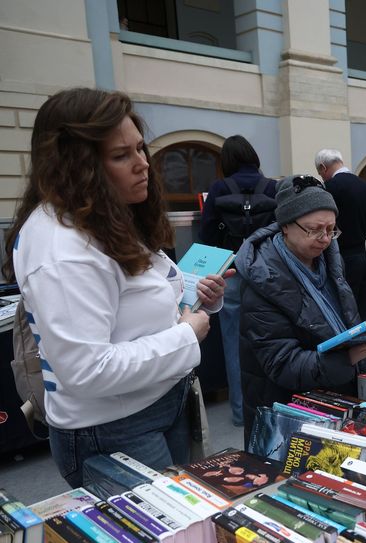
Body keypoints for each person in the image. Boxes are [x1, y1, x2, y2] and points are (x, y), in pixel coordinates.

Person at [3, 88, 228, 487]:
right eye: (121, 156)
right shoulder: (62, 248)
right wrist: (186, 334)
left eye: (140, 149)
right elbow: (87, 370)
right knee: (162, 537)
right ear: (77, 166)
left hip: (158, 405)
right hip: (114, 429)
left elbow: (143, 299)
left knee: (184, 527)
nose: (143, 164)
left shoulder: (103, 216)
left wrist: (196, 303)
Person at [235, 175, 366, 443]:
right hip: (288, 409)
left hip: (330, 396)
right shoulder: (262, 278)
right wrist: (345, 360)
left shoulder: (329, 260)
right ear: (286, 226)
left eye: (332, 229)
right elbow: (280, 361)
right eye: (314, 229)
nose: (324, 238)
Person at [199, 135, 277, 427]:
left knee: (233, 342)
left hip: (230, 272)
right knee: (269, 335)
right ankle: (271, 405)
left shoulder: (219, 188)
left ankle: (239, 412)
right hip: (265, 271)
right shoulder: (271, 186)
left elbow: (207, 235)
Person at [314, 149, 366, 322]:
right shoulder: (365, 185)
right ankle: (364, 347)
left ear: (323, 167)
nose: (321, 176)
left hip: (344, 257)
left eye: (320, 172)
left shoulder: (331, 187)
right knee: (362, 309)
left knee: (345, 311)